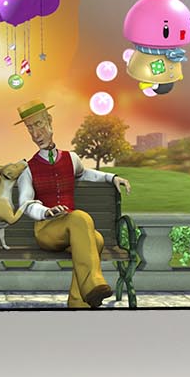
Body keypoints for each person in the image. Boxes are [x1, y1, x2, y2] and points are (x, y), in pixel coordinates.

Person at [6, 100, 116, 308]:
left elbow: (85, 174)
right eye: (29, 128)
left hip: (72, 228)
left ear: (49, 121)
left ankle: (77, 300)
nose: (35, 133)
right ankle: (93, 285)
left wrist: (112, 178)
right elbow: (25, 204)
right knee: (81, 218)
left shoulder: (71, 158)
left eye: (38, 124)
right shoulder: (28, 169)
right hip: (47, 231)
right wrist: (46, 212)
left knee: (97, 239)